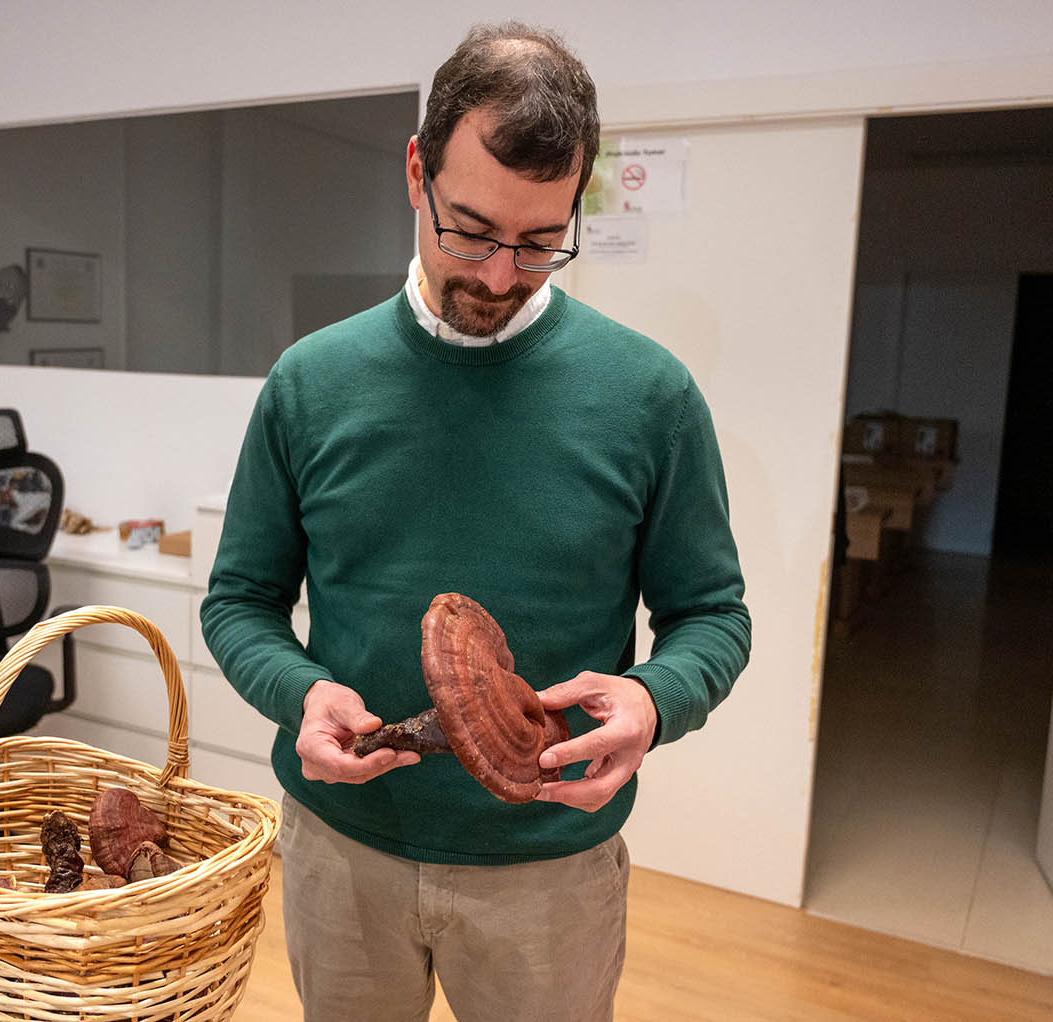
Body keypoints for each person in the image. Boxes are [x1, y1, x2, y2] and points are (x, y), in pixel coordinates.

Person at [200, 21, 750, 1022]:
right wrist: (302, 691)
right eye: (470, 229)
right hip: (343, 851)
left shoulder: (649, 395)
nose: (499, 275)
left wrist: (656, 701)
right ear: (417, 170)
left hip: (550, 871)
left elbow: (713, 613)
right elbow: (238, 601)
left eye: (541, 243)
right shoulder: (310, 383)